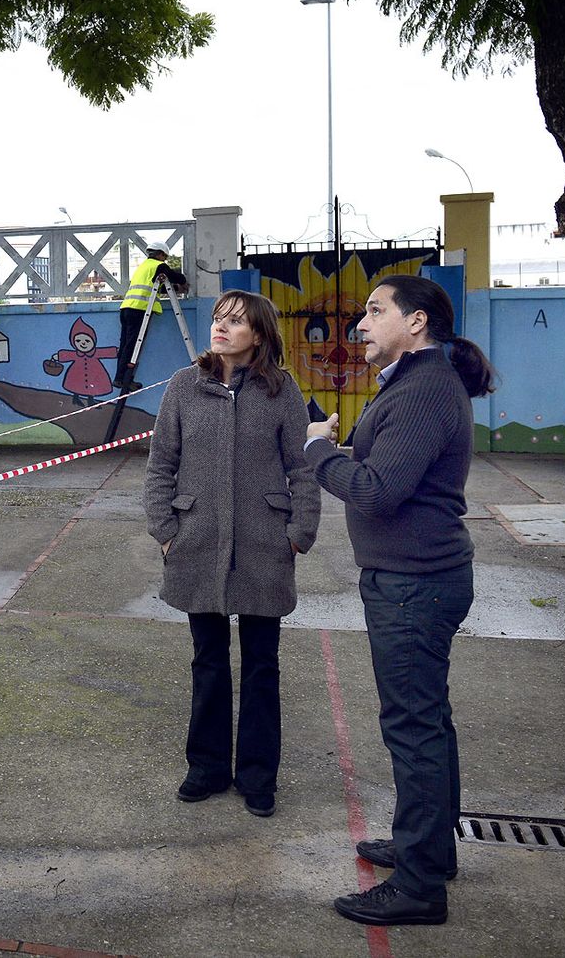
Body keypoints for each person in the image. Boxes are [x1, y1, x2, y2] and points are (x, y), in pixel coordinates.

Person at [304, 274, 495, 928]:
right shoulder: (418, 384)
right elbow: (389, 470)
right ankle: (430, 852)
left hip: (414, 585)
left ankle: (418, 885)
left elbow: (378, 491)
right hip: (417, 579)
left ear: (416, 322)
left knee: (413, 730)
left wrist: (317, 452)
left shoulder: (423, 389)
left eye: (374, 309)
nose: (360, 323)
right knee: (427, 722)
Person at [144, 290, 321, 818]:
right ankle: (207, 768)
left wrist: (298, 533)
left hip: (265, 546)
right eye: (219, 318)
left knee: (262, 665)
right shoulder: (184, 385)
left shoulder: (281, 390)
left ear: (259, 335)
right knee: (208, 661)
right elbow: (160, 465)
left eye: (236, 322)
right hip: (196, 543)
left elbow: (302, 468)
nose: (221, 327)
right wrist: (166, 530)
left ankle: (258, 777)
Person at [115, 243, 190, 392]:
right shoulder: (159, 266)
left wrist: (175, 289)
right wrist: (183, 282)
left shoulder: (143, 267)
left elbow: (157, 287)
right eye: (165, 257)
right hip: (139, 309)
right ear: (161, 254)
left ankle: (120, 377)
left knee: (125, 345)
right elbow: (175, 276)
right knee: (132, 346)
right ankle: (123, 379)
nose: (165, 260)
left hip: (127, 308)